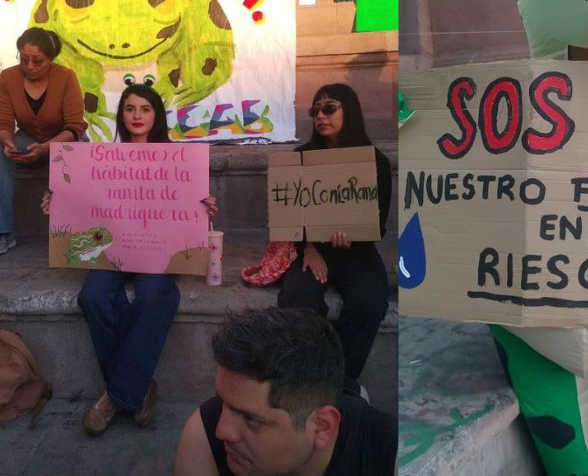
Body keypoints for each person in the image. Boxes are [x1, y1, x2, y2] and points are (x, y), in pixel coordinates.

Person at [40, 80, 217, 435]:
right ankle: (137, 387)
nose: (137, 116)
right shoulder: (101, 159)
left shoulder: (180, 159)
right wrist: (56, 205)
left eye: (145, 109)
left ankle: (114, 396)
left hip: (159, 249)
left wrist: (207, 208)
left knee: (156, 294)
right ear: (121, 115)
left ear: (157, 115)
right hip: (113, 248)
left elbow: (192, 211)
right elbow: (81, 202)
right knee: (92, 296)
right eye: (130, 109)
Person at [174, 307, 398, 476]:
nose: (221, 431)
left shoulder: (392, 453)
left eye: (251, 419)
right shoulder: (203, 435)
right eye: (222, 401)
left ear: (322, 426)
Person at [277, 84, 391, 397]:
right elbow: (289, 214)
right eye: (315, 110)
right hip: (312, 249)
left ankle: (338, 381)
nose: (320, 116)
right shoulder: (300, 158)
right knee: (298, 298)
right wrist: (309, 249)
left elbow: (378, 222)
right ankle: (312, 371)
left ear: (349, 111)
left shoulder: (375, 161)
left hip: (358, 251)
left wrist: (353, 235)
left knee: (369, 301)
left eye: (330, 108)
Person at [0, 28, 86, 255]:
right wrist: (8, 143)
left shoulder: (66, 77)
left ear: (51, 58)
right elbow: (4, 123)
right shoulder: (7, 78)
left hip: (65, 137)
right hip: (29, 138)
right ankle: (4, 231)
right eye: (24, 59)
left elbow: (75, 126)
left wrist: (46, 148)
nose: (30, 67)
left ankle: (78, 230)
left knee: (81, 156)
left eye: (38, 61)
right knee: (0, 152)